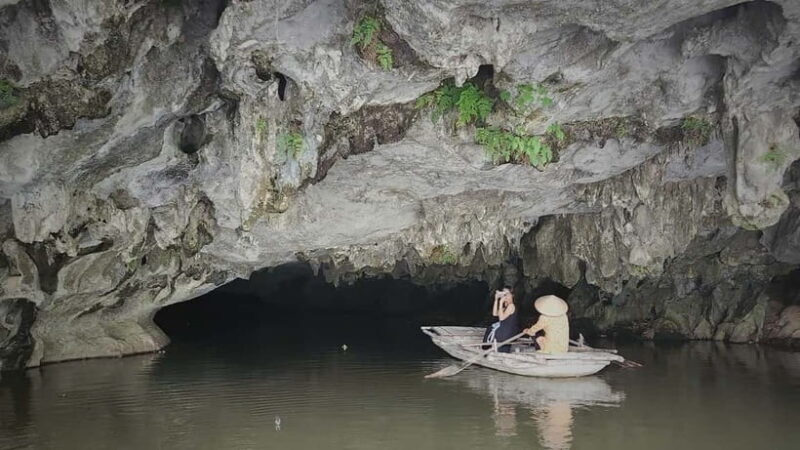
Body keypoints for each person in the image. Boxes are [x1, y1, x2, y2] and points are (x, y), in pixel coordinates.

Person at [482, 288, 520, 353]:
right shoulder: (506, 306)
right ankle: (488, 349)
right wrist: (496, 299)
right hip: (503, 329)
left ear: (512, 295)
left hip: (508, 331)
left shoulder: (511, 306)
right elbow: (494, 314)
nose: (505, 296)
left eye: (507, 294)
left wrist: (500, 302)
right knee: (490, 328)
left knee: (495, 332)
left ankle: (492, 350)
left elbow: (501, 318)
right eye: (504, 294)